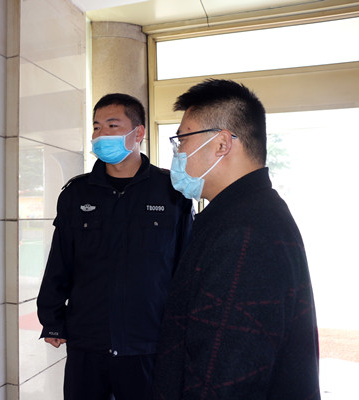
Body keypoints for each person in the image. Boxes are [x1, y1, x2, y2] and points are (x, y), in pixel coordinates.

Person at [153, 79, 320, 399]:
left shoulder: (245, 233)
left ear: (221, 144)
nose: (178, 153)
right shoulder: (248, 213)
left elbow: (225, 379)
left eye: (182, 140)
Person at [37, 93, 194, 400]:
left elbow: (185, 267)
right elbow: (60, 261)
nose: (101, 135)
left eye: (112, 125)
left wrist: (185, 329)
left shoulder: (171, 191)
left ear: (139, 133)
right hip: (88, 342)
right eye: (96, 127)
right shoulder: (77, 193)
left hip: (148, 341)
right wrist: (52, 319)